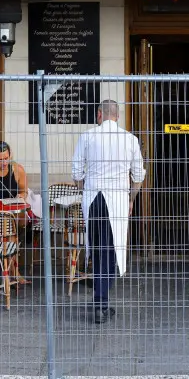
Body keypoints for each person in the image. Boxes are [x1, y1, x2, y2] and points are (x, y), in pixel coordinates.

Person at [71, 99, 145, 325]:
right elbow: (139, 175)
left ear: (99, 114)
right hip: (117, 201)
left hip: (94, 199)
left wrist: (86, 191)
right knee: (112, 251)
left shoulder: (87, 136)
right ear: (117, 116)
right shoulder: (130, 139)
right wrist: (131, 199)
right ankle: (101, 302)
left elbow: (76, 172)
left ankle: (100, 301)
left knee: (98, 250)